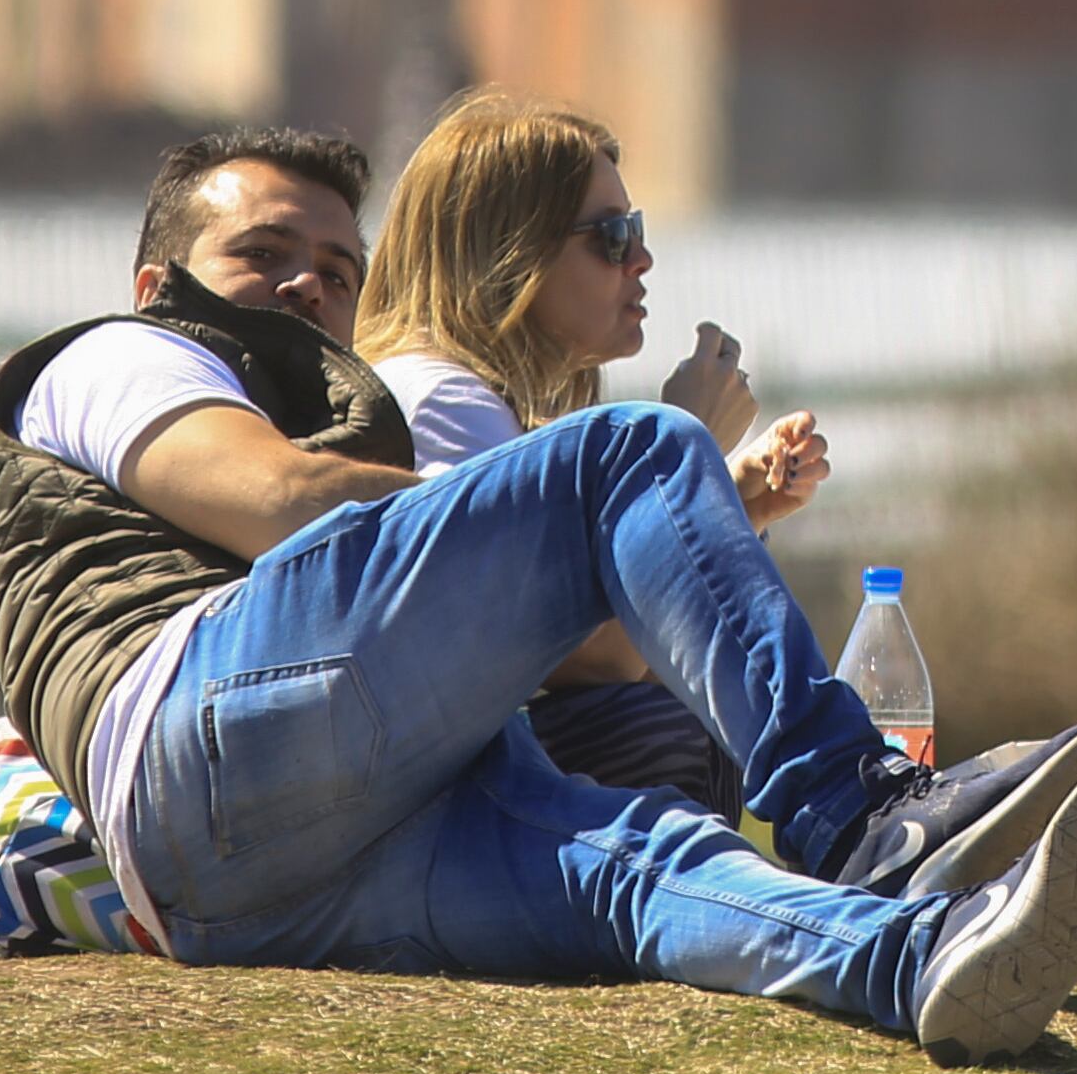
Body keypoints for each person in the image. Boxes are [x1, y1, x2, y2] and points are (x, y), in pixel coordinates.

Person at [0, 125, 1077, 1059]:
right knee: (635, 450)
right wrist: (559, 527)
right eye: (262, 254)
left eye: (338, 268)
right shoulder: (114, 357)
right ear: (157, 279)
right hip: (197, 728)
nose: (307, 289)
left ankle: (922, 958)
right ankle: (860, 813)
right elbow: (282, 502)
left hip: (241, 899)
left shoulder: (352, 401)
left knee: (638, 861)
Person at [351, 90, 832, 811]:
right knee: (656, 720)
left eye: (634, 229)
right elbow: (597, 655)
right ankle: (856, 811)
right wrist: (679, 448)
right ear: (510, 252)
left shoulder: (478, 404)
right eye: (611, 237)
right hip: (434, 831)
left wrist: (722, 500)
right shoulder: (441, 400)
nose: (642, 257)